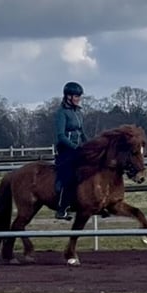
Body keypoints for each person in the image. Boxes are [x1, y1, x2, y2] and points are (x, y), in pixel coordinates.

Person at [53, 81, 87, 220]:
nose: (78, 99)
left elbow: (82, 132)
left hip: (78, 149)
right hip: (66, 150)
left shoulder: (78, 113)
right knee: (70, 175)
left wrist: (90, 145)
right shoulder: (61, 113)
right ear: (68, 97)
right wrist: (75, 147)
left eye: (79, 96)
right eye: (76, 96)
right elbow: (61, 136)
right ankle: (62, 208)